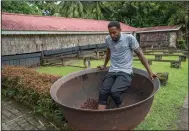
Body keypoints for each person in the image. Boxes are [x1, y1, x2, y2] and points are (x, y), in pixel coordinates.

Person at [97, 21, 157, 110]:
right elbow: (108, 53)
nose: (112, 35)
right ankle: (100, 116)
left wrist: (150, 72)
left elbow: (140, 55)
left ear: (120, 30)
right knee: (103, 92)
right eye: (110, 33)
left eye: (114, 32)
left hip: (125, 71)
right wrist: (104, 65)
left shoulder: (129, 38)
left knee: (115, 91)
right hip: (113, 70)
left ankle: (122, 109)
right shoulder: (108, 39)